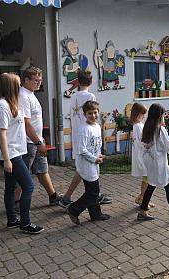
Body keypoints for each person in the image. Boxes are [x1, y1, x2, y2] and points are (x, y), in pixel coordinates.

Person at [0, 72, 43, 234]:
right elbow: (1, 134)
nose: (20, 86)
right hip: (11, 154)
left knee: (10, 186)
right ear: (11, 86)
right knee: (28, 186)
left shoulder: (13, 102)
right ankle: (25, 223)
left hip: (18, 151)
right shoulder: (2, 106)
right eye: (18, 84)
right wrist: (7, 160)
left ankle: (12, 220)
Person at [59, 69, 112, 208]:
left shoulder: (73, 96)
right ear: (91, 81)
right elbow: (93, 115)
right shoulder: (90, 96)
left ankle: (90, 195)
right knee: (85, 168)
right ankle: (74, 197)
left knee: (82, 168)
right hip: (88, 136)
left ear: (77, 81)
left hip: (77, 134)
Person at [16, 66, 62, 206]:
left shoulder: (31, 94)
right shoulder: (23, 96)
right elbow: (26, 123)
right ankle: (16, 202)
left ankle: (53, 196)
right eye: (36, 80)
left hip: (36, 140)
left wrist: (40, 140)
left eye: (40, 80)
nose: (39, 83)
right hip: (29, 142)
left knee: (42, 169)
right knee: (23, 174)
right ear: (26, 80)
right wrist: (38, 143)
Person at [138, 103, 169, 223]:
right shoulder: (160, 130)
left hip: (150, 162)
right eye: (163, 115)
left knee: (151, 185)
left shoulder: (147, 128)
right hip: (159, 164)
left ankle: (143, 211)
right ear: (160, 116)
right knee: (168, 186)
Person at [67, 101, 110, 225]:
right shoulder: (83, 129)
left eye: (95, 112)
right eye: (89, 113)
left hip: (93, 163)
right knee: (93, 192)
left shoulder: (96, 126)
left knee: (91, 190)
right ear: (85, 114)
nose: (93, 115)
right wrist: (94, 159)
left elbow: (97, 144)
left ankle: (95, 214)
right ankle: (73, 209)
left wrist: (99, 155)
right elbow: (81, 149)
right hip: (86, 165)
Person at [130, 103, 155, 208]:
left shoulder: (137, 126)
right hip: (144, 156)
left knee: (147, 178)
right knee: (147, 179)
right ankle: (142, 198)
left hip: (142, 155)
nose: (143, 117)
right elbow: (143, 141)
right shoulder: (138, 126)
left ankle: (144, 198)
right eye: (141, 114)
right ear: (136, 114)